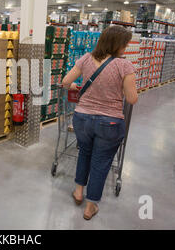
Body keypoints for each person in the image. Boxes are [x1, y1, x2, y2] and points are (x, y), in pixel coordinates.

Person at [62, 26, 138, 221]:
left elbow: (65, 81)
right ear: (117, 44)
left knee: (84, 153)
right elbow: (131, 99)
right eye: (125, 43)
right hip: (109, 122)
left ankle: (79, 192)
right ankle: (90, 206)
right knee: (101, 162)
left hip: (82, 118)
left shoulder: (86, 58)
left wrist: (73, 85)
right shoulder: (124, 66)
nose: (126, 47)